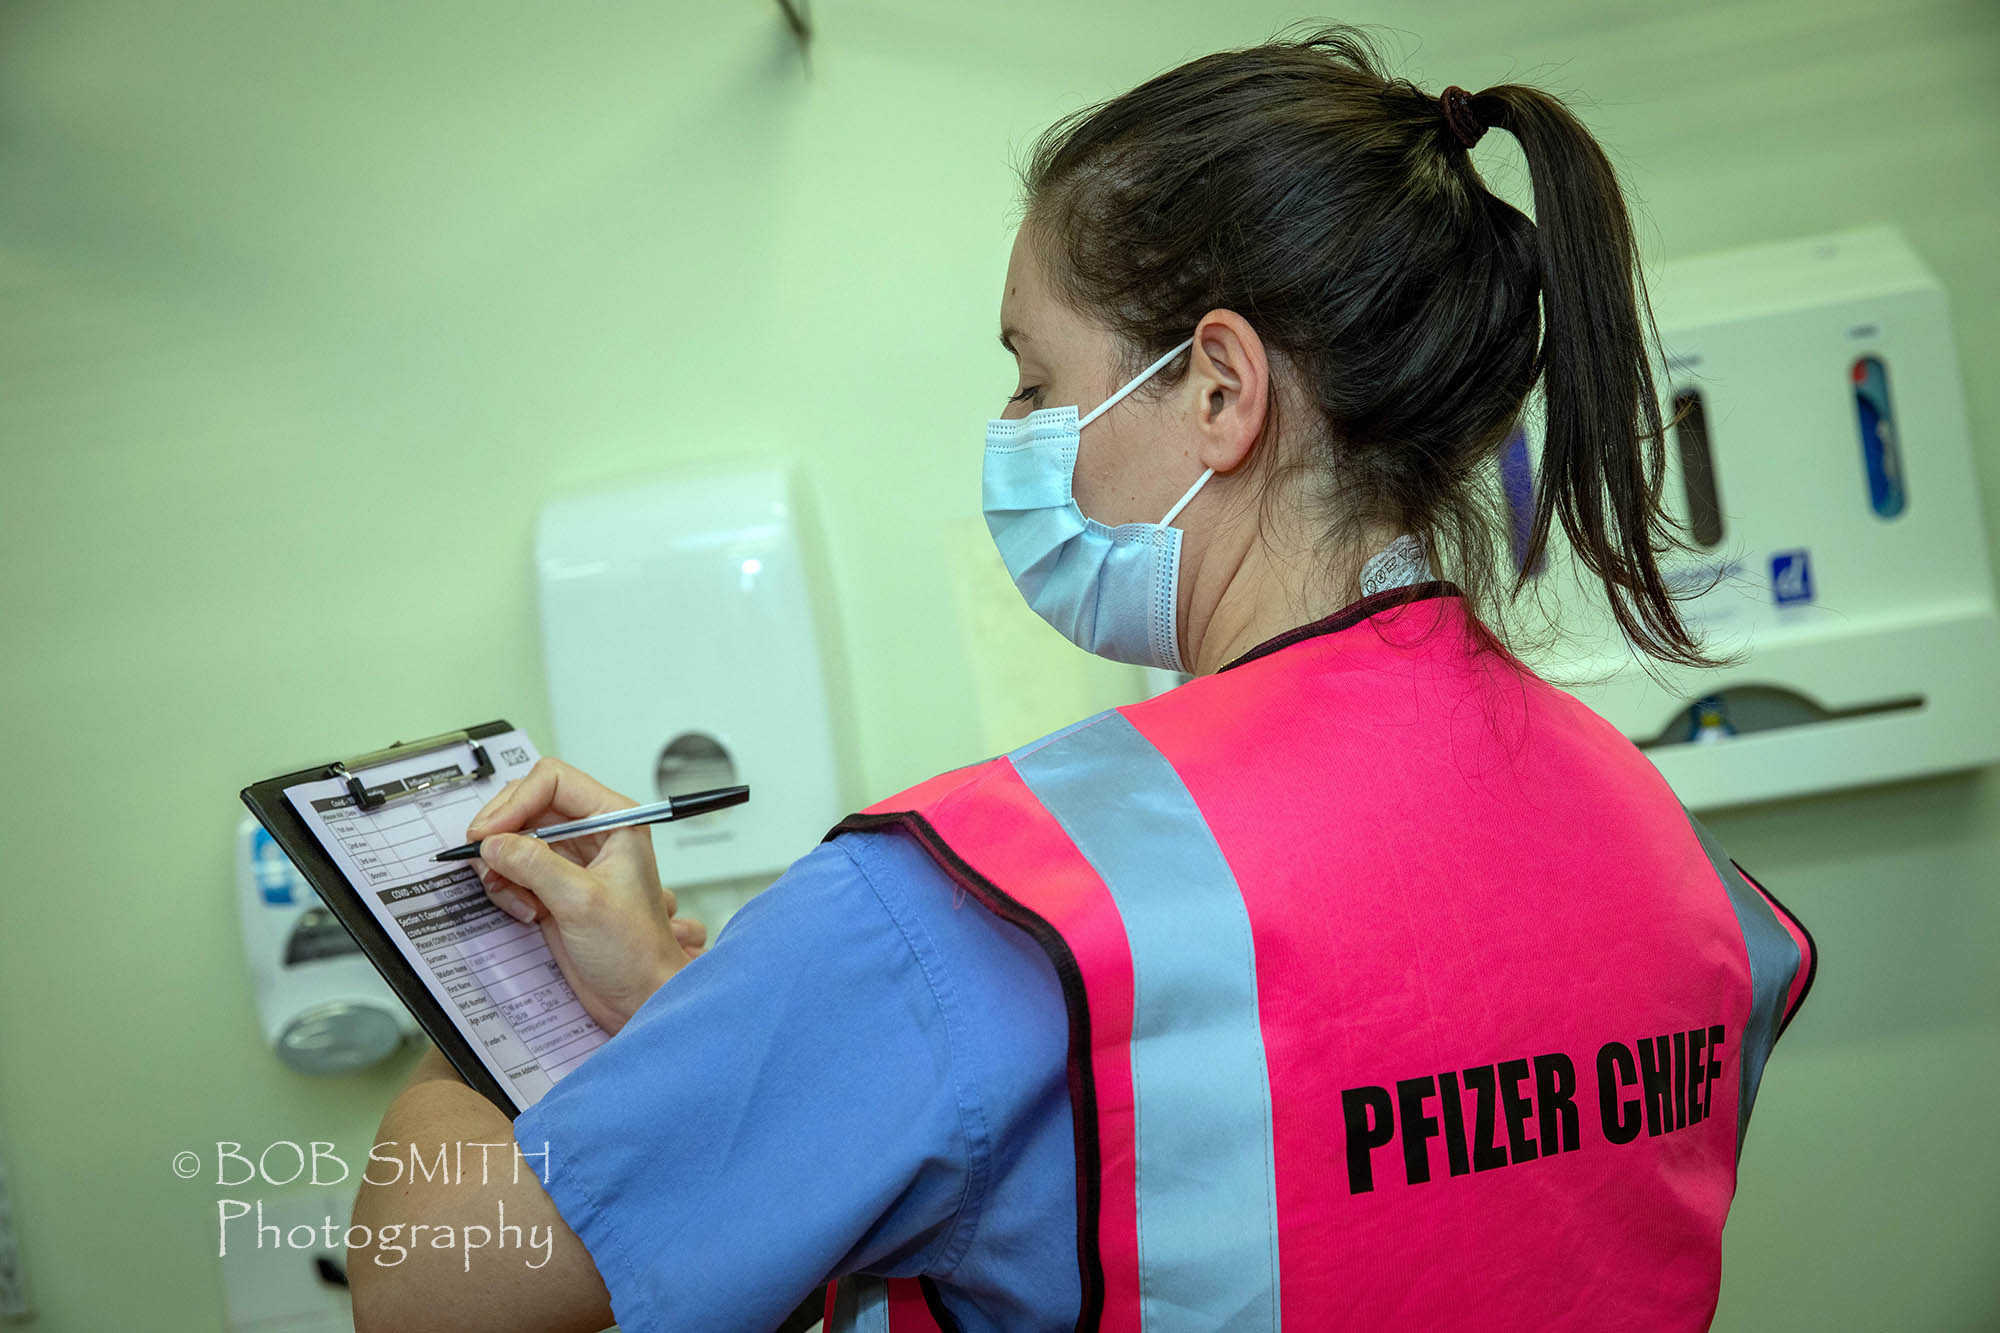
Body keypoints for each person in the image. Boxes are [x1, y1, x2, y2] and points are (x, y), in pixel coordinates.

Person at [349, 25, 1817, 1333]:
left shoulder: (992, 899)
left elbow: (438, 1293)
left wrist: (473, 996)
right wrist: (688, 1001)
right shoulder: (1662, 853)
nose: (1012, 427)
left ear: (1221, 392)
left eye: (1036, 380)